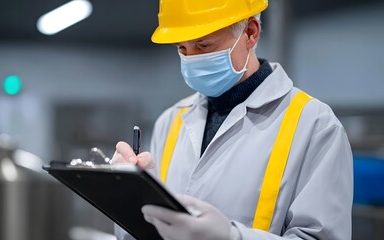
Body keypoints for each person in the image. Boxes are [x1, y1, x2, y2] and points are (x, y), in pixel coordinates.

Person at [111, 0, 353, 239]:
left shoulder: (315, 126)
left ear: (250, 33)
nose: (191, 59)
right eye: (182, 49)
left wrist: (232, 237)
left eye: (203, 46)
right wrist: (133, 200)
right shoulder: (171, 120)